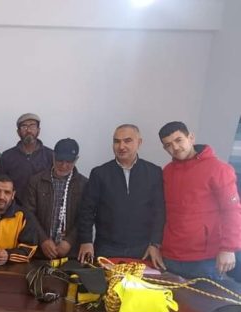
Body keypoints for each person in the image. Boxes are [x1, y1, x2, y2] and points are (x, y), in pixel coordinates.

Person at [158, 121, 241, 285]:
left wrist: (228, 248)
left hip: (204, 259)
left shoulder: (219, 169)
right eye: (168, 145)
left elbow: (232, 211)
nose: (175, 147)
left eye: (179, 140)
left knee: (203, 301)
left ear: (191, 137)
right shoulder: (167, 171)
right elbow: (164, 211)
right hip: (170, 256)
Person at [77, 124, 165, 267]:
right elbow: (87, 210)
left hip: (143, 249)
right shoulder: (100, 173)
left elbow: (159, 211)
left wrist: (155, 244)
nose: (121, 146)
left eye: (127, 141)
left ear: (139, 142)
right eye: (116, 141)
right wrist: (86, 241)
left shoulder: (154, 172)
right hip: (106, 248)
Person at [25, 138, 88, 259]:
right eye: (59, 160)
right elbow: (28, 214)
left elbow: (85, 217)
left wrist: (69, 241)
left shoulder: (84, 184)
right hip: (38, 252)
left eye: (69, 161)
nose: (63, 166)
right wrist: (43, 240)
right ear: (53, 156)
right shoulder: (36, 181)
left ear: (76, 159)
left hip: (71, 254)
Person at [0, 113, 53, 204]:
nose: (28, 130)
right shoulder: (7, 156)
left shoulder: (50, 156)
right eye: (24, 126)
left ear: (38, 130)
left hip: (43, 208)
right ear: (18, 132)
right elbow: (0, 185)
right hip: (14, 208)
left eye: (32, 126)